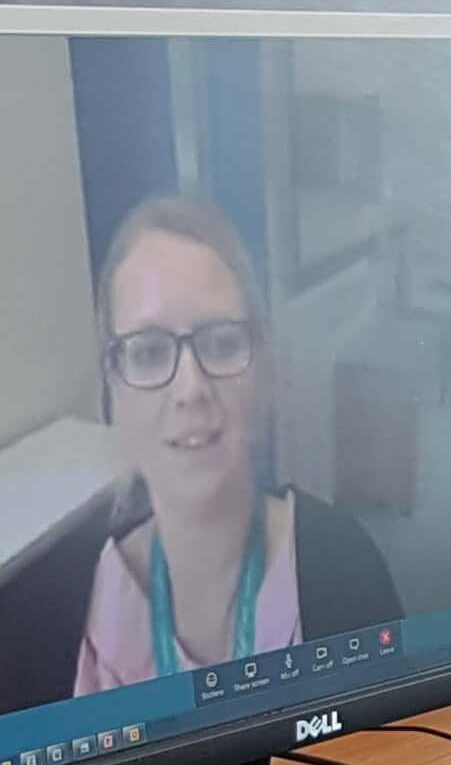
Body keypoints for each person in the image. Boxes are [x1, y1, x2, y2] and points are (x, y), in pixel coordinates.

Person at [72, 194, 404, 694]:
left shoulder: (345, 566)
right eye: (148, 351)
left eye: (222, 342)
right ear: (111, 390)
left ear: (265, 372)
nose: (190, 388)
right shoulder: (74, 611)